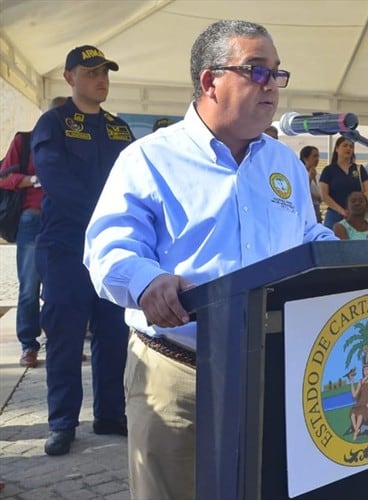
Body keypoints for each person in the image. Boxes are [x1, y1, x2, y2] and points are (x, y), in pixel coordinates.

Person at [83, 20, 337, 499]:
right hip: (179, 372)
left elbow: (304, 234)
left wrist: (341, 252)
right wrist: (146, 281)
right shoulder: (149, 158)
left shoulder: (283, 164)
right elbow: (107, 246)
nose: (272, 86)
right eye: (257, 71)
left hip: (275, 368)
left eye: (277, 74)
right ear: (209, 81)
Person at [32, 45, 134, 457]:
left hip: (113, 250)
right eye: (91, 72)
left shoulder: (119, 128)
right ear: (69, 77)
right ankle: (62, 422)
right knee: (65, 335)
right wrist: (107, 215)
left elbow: (135, 181)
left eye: (105, 72)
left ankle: (110, 413)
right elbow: (55, 179)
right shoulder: (53, 123)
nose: (101, 79)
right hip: (66, 248)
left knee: (113, 333)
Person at [0, 96, 65, 368]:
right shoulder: (25, 141)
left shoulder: (72, 143)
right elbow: (5, 177)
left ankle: (60, 343)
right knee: (29, 287)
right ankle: (29, 345)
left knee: (59, 287)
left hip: (63, 222)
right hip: (33, 220)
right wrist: (33, 180)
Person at [319, 136, 368, 228]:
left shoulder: (359, 169)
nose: (348, 148)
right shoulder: (329, 170)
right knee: (331, 240)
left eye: (351, 146)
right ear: (337, 149)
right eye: (345, 145)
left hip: (356, 215)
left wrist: (358, 206)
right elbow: (324, 195)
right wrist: (342, 211)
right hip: (334, 214)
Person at [348, 364, 368, 441]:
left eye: (367, 369)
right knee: (352, 414)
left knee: (360, 414)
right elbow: (354, 395)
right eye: (364, 370)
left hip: (366, 402)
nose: (366, 371)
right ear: (363, 371)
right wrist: (351, 382)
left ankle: (355, 433)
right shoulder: (360, 381)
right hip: (360, 402)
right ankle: (356, 429)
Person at [299, 145, 322, 222]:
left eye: (318, 156)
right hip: (303, 210)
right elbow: (301, 192)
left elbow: (321, 197)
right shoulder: (299, 174)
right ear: (305, 158)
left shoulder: (319, 176)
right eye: (314, 156)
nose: (317, 159)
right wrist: (309, 178)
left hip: (316, 208)